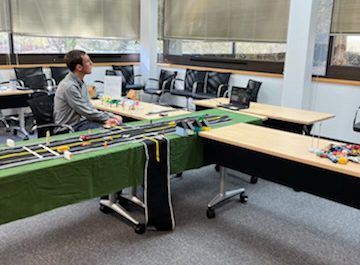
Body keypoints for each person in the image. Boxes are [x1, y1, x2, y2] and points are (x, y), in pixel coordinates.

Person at [54, 49, 122, 133]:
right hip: (69, 127)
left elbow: (89, 107)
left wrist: (110, 116)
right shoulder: (69, 86)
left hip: (83, 122)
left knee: (115, 125)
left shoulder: (80, 82)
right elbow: (86, 111)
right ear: (79, 67)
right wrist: (108, 118)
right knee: (108, 130)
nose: (91, 63)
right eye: (88, 62)